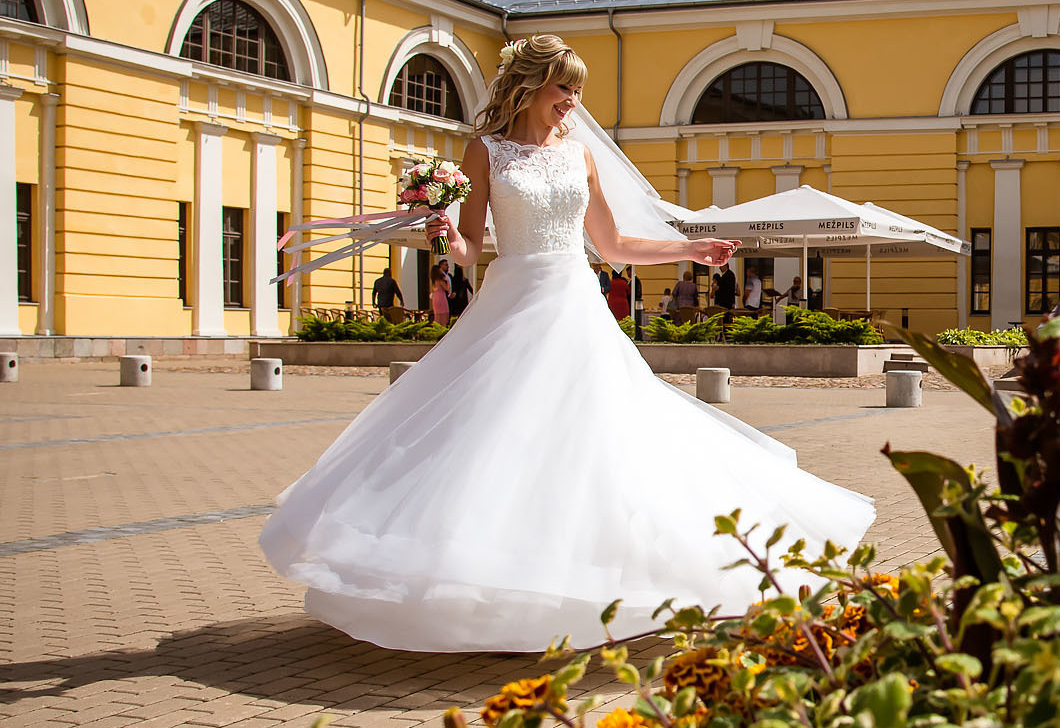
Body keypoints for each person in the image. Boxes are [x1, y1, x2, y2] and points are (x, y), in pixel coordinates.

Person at [260, 34, 873, 652]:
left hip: (573, 306)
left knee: (598, 439)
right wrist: (443, 232)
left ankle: (596, 580)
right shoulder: (485, 153)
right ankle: (493, 588)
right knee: (491, 442)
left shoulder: (580, 155)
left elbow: (613, 247)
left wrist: (695, 247)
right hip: (510, 304)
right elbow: (472, 250)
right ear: (528, 86)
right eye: (564, 88)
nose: (573, 102)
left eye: (578, 91)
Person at [428, 258, 455, 327]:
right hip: (441, 297)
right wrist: (447, 281)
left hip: (435, 298)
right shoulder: (440, 280)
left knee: (437, 315)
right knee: (444, 314)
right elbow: (447, 288)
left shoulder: (433, 281)